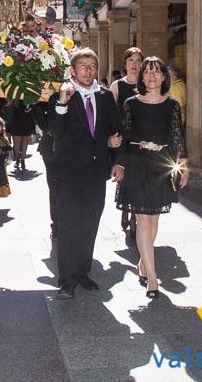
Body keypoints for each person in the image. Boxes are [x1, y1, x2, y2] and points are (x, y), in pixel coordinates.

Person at [48, 48, 125, 300]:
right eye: (83, 65)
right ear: (72, 70)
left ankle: (82, 271)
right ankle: (66, 279)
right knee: (69, 226)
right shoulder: (61, 96)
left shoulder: (105, 96)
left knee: (90, 223)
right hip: (68, 174)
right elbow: (55, 132)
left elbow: (115, 131)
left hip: (96, 172)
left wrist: (118, 161)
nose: (88, 70)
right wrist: (62, 103)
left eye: (92, 66)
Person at [119, 57, 188, 300]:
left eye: (157, 71)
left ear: (164, 77)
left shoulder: (172, 105)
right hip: (136, 166)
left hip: (161, 165)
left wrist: (183, 166)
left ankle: (143, 262)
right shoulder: (130, 104)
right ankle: (152, 277)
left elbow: (178, 137)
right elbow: (126, 136)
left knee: (154, 218)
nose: (152, 75)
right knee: (143, 220)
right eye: (147, 71)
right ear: (141, 77)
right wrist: (119, 164)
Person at [110, 47, 144, 233]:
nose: (134, 64)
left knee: (139, 179)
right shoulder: (117, 86)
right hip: (123, 139)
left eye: (138, 61)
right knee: (126, 178)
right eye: (131, 60)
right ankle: (125, 209)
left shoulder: (147, 84)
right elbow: (110, 113)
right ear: (125, 63)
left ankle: (134, 217)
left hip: (142, 140)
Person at [32, 101, 58, 239]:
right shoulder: (45, 99)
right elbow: (37, 111)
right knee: (54, 188)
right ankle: (56, 225)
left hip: (74, 147)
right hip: (51, 147)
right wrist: (48, 129)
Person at [7, 102, 34, 172]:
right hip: (16, 117)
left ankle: (23, 160)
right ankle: (17, 159)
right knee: (16, 142)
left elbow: (35, 101)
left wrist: (31, 107)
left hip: (27, 118)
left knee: (25, 141)